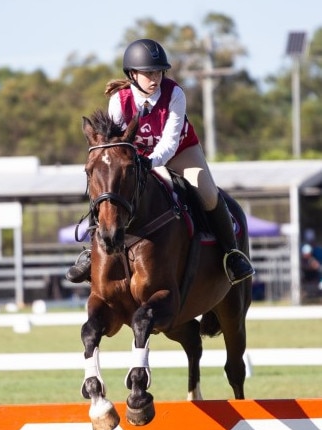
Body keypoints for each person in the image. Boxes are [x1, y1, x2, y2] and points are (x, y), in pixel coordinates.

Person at [66, 38, 254, 285]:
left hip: (180, 152)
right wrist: (132, 164)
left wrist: (149, 162)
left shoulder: (174, 93)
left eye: (158, 72)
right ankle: (91, 252)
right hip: (136, 157)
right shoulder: (118, 101)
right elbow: (116, 145)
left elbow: (169, 142)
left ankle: (232, 254)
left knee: (207, 193)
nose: (155, 78)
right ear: (132, 74)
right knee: (107, 190)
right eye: (148, 73)